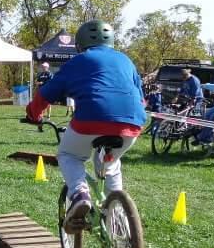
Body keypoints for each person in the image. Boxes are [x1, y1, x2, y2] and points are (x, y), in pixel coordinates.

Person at [26, 20, 144, 230]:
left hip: (91, 118)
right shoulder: (126, 61)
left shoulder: (78, 61)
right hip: (132, 122)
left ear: (79, 44)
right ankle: (116, 217)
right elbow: (141, 97)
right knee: (110, 164)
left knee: (69, 155)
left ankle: (80, 195)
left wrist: (34, 115)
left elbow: (45, 93)